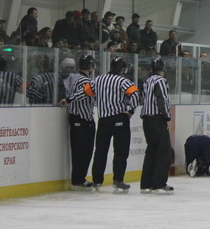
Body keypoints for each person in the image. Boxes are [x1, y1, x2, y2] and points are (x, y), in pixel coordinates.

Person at [91, 56, 140, 193]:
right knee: (121, 151)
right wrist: (131, 110)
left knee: (100, 151)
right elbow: (135, 94)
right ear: (122, 69)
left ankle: (97, 181)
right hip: (120, 118)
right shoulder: (122, 81)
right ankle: (118, 180)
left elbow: (86, 92)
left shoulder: (98, 79)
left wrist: (69, 99)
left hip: (103, 120)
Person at [60, 55, 97, 190]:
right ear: (91, 66)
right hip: (83, 119)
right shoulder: (86, 81)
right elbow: (84, 93)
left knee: (78, 150)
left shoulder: (73, 77)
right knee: (84, 151)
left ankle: (78, 178)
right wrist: (69, 100)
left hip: (75, 118)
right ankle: (79, 179)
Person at [140, 57, 174, 194]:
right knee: (163, 151)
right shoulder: (161, 81)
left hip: (146, 119)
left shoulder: (147, 81)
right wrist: (167, 117)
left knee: (151, 150)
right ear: (163, 69)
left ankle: (146, 184)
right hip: (157, 119)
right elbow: (162, 99)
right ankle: (159, 184)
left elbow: (143, 98)